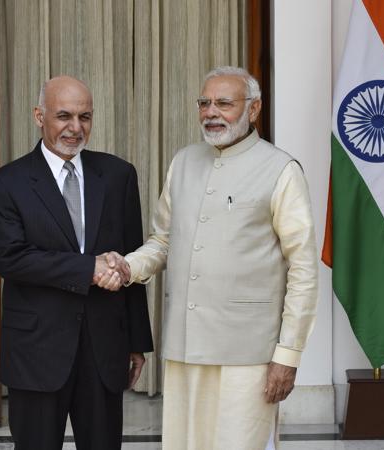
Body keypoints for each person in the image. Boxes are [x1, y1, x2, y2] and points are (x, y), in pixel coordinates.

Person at [99, 66, 318, 450]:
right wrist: (127, 265)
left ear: (253, 110)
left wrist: (288, 354)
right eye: (204, 103)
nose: (211, 112)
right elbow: (163, 241)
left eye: (224, 103)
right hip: (186, 346)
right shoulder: (184, 161)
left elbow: (303, 269)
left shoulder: (281, 169)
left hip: (249, 354)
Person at [0, 75, 153, 450]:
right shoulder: (5, 183)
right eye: (64, 116)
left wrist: (137, 342)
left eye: (85, 117)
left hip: (104, 349)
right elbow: (11, 260)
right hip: (36, 352)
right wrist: (89, 269)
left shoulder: (118, 175)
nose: (75, 128)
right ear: (38, 116)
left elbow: (131, 256)